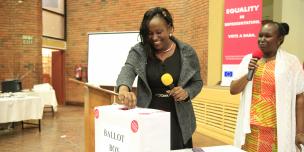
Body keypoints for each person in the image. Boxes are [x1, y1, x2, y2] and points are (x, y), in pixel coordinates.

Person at [116, 7, 203, 150]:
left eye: (159, 32)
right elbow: (128, 69)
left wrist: (186, 93)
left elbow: (197, 82)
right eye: (149, 34)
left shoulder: (187, 52)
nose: (154, 38)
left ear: (169, 28)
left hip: (178, 118)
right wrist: (124, 88)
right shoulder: (140, 50)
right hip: (148, 115)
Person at [230, 21, 304, 152]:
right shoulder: (249, 59)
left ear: (279, 39)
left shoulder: (291, 62)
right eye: (260, 35)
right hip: (252, 129)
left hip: (278, 129)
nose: (262, 39)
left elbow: (300, 97)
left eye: (267, 36)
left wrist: (300, 132)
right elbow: (233, 89)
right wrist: (249, 73)